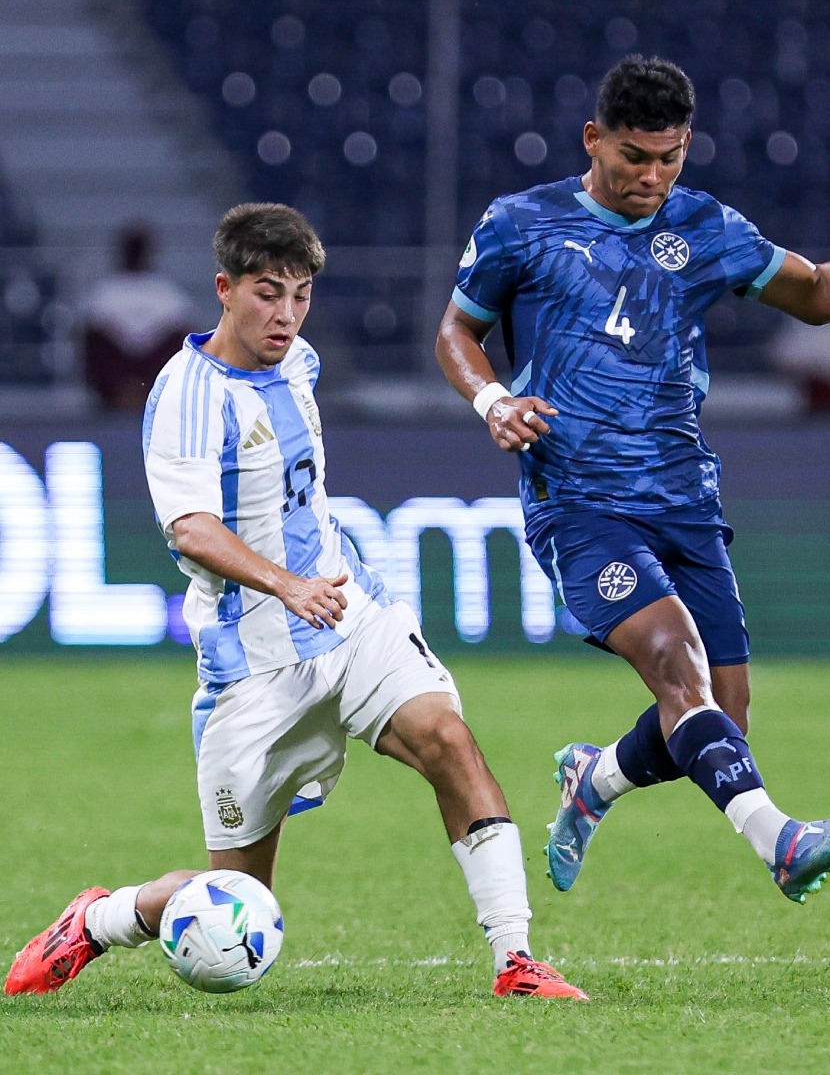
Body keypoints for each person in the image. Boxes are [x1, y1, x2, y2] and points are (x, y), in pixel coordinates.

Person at [5, 203, 587, 1002]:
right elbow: (191, 528)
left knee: (448, 740)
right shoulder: (186, 391)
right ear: (225, 289)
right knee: (236, 903)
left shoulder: (299, 363)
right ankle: (98, 920)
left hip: (352, 616)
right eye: (268, 293)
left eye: (302, 295)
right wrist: (284, 584)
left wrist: (317, 579)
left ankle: (516, 960)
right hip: (254, 664)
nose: (286, 315)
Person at [435, 55, 830, 902]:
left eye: (670, 157)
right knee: (675, 666)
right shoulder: (521, 224)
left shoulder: (706, 228)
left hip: (684, 497)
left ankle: (597, 780)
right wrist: (493, 401)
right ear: (593, 140)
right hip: (578, 500)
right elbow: (455, 334)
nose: (652, 177)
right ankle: (780, 841)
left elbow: (817, 293)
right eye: (633, 157)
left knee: (723, 713)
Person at [82, 223, 198, 411]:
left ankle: (146, 391)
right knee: (96, 338)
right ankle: (124, 392)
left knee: (182, 341)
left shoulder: (167, 292)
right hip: (116, 377)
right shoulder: (105, 292)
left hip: (152, 375)